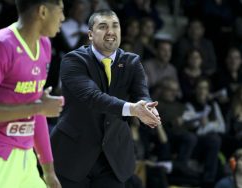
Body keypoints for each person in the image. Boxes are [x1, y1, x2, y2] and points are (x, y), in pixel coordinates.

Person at [51, 9, 161, 188]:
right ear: (90, 35)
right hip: (73, 154)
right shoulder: (73, 60)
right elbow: (92, 97)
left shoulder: (131, 62)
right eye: (103, 27)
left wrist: (148, 108)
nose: (111, 31)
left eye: (115, 26)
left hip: (114, 158)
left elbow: (141, 94)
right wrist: (133, 109)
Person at [0, 0, 65, 188]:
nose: (63, 18)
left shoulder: (44, 45)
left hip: (25, 157)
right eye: (60, 10)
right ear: (42, 11)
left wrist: (49, 171)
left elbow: (37, 113)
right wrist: (38, 106)